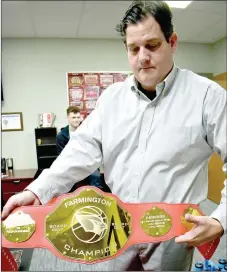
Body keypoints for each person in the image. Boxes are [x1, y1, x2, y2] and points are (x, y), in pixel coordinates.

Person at [2, 1, 226, 271]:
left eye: (152, 45)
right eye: (134, 48)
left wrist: (221, 219)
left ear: (172, 42)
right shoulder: (112, 100)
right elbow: (79, 151)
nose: (142, 57)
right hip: (116, 228)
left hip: (173, 236)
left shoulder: (207, 96)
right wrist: (37, 190)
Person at [56, 106, 104, 191]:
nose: (76, 120)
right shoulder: (61, 136)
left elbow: (94, 150)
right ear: (68, 118)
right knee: (66, 182)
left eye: (78, 117)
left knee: (96, 177)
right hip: (70, 166)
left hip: (88, 163)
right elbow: (62, 157)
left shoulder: (88, 132)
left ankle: (96, 201)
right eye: (73, 117)